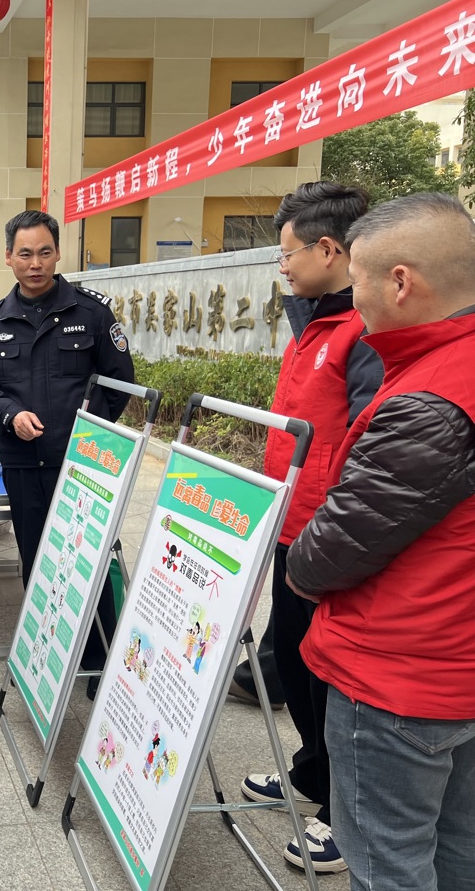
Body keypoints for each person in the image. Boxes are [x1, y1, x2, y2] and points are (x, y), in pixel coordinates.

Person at [285, 192, 475, 891]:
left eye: (358, 278)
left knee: (387, 860)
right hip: (455, 662)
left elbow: (336, 547)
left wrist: (297, 567)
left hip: (400, 674)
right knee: (456, 849)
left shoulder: (431, 399)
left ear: (400, 281)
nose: (353, 297)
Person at [237, 182, 382, 875]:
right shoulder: (313, 323)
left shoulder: (363, 332)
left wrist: (329, 535)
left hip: (329, 540)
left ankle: (345, 819)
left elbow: (368, 448)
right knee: (295, 663)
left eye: (287, 252)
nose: (282, 265)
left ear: (329, 250)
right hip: (292, 526)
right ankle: (311, 772)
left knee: (328, 675)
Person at [0, 210, 134, 676]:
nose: (35, 263)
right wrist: (10, 415)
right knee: (38, 559)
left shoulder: (92, 313)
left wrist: (89, 434)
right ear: (8, 257)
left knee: (91, 559)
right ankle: (50, 659)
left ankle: (99, 663)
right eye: (25, 254)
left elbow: (119, 382)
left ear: (58, 253)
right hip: (24, 464)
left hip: (82, 465)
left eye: (44, 252)